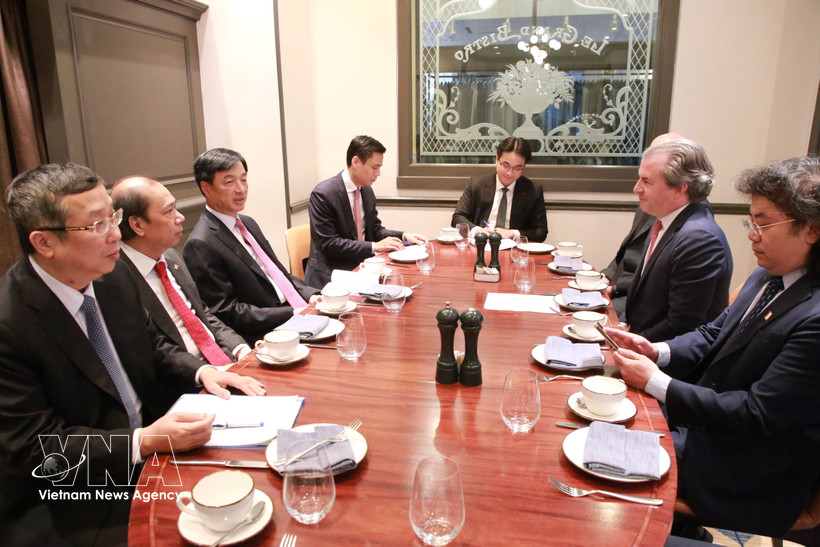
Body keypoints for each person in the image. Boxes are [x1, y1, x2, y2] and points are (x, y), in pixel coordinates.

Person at [0, 163, 265, 545]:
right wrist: (141, 441)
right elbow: (35, 448)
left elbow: (149, 342)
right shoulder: (10, 324)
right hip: (79, 491)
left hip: (154, 449)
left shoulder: (114, 275)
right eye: (97, 225)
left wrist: (201, 372)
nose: (115, 234)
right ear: (44, 243)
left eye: (114, 217)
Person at [608, 156, 820, 537]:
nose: (752, 235)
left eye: (763, 223)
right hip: (710, 432)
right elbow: (713, 333)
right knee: (600, 423)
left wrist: (657, 382)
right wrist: (655, 351)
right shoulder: (768, 275)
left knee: (601, 459)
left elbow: (757, 413)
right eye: (751, 222)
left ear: (812, 230)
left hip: (749, 470)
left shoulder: (814, 317)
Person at [112, 176, 249, 385]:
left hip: (223, 362)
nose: (180, 217)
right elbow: (153, 350)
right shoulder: (116, 279)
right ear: (137, 225)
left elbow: (202, 313)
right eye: (169, 211)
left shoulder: (171, 256)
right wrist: (203, 372)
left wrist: (240, 348)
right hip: (184, 381)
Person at [183, 148, 319, 344]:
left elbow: (279, 275)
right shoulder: (201, 243)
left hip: (295, 314)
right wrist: (291, 313)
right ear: (206, 188)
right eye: (230, 182)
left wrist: (312, 296)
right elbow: (226, 312)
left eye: (244, 179)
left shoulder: (247, 223)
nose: (241, 189)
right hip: (265, 334)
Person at [621, 139, 732, 341]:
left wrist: (629, 343)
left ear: (680, 188)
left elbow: (683, 324)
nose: (637, 188)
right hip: (640, 338)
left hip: (662, 352)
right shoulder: (665, 219)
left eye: (647, 181)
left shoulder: (700, 238)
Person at [304, 136, 428, 287]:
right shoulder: (324, 194)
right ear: (356, 162)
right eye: (374, 167)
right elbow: (330, 244)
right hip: (332, 275)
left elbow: (375, 230)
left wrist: (404, 236)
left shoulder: (366, 191)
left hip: (362, 269)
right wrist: (375, 247)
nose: (378, 173)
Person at [601, 133, 684, 315]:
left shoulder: (693, 228)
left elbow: (657, 281)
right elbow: (627, 252)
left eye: (646, 180)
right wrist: (605, 276)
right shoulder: (650, 203)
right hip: (621, 285)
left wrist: (614, 289)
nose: (637, 188)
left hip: (637, 298)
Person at [451, 137, 548, 242]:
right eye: (506, 166)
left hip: (513, 247)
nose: (509, 173)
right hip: (481, 244)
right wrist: (478, 230)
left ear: (524, 166)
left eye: (517, 168)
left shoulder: (533, 190)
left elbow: (541, 232)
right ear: (497, 159)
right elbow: (457, 218)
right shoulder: (477, 184)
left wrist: (512, 233)